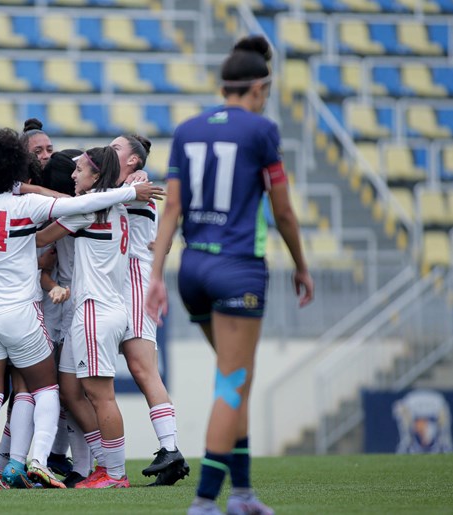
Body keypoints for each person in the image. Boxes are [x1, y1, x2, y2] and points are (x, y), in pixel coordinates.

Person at [0, 128, 163, 490]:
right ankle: (37, 460)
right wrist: (130, 190)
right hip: (25, 317)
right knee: (45, 390)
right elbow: (76, 205)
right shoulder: (27, 206)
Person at [145, 36, 314, 515]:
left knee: (233, 378)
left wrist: (156, 275)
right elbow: (282, 211)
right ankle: (205, 502)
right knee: (233, 383)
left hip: (192, 268)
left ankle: (242, 495)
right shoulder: (262, 131)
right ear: (259, 87)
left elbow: (172, 207)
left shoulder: (188, 129)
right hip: (238, 269)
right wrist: (301, 265)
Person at [35, 146, 134, 489]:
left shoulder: (88, 211)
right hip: (103, 306)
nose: (73, 176)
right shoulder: (118, 206)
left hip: (94, 309)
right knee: (71, 391)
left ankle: (115, 474)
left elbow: (40, 237)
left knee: (100, 394)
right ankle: (105, 465)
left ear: (96, 176)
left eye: (79, 171)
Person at [110, 134, 188, 486]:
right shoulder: (117, 187)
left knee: (143, 368)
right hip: (118, 286)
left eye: (116, 149)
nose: (109, 152)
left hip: (135, 284)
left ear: (134, 162)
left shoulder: (136, 186)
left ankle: (170, 448)